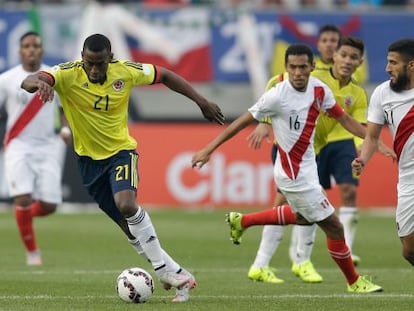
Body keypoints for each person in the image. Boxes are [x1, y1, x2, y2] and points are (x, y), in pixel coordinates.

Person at [21, 33, 225, 302]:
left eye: (100, 63)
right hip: (88, 163)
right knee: (128, 229)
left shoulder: (126, 71)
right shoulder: (68, 74)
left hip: (121, 153)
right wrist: (39, 83)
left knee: (127, 205)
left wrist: (202, 101)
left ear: (110, 59)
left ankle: (162, 270)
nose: (94, 69)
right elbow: (32, 80)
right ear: (81, 59)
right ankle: (180, 276)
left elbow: (165, 75)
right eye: (89, 63)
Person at [192, 43, 393, 293]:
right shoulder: (277, 95)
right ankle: (354, 282)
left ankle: (242, 221)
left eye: (302, 67)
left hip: (309, 166)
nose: (298, 72)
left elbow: (345, 119)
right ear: (286, 68)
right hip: (293, 174)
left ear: (312, 66)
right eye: (292, 67)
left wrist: (375, 141)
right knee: (334, 226)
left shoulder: (320, 90)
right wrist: (209, 149)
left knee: (301, 217)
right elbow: (241, 122)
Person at [246, 36, 370, 285]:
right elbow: (275, 91)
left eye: (351, 56)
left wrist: (373, 144)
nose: (345, 58)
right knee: (298, 205)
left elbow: (354, 124)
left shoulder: (354, 91)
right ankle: (264, 262)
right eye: (330, 45)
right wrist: (264, 122)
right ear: (333, 54)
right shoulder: (308, 76)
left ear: (359, 62)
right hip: (293, 151)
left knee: (314, 206)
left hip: (321, 149)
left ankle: (300, 261)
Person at [0, 31, 71, 266]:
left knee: (50, 205)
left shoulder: (55, 76)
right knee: (23, 197)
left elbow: (65, 110)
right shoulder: (7, 79)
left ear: (42, 50)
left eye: (36, 45)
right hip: (19, 144)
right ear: (20, 51)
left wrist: (65, 129)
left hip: (48, 145)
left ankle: (22, 217)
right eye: (27, 46)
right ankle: (33, 253)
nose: (31, 49)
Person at [352, 38, 414, 267]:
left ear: (411, 65)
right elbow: (372, 136)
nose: (387, 68)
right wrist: (363, 159)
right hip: (408, 178)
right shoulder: (382, 94)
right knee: (408, 250)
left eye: (393, 63)